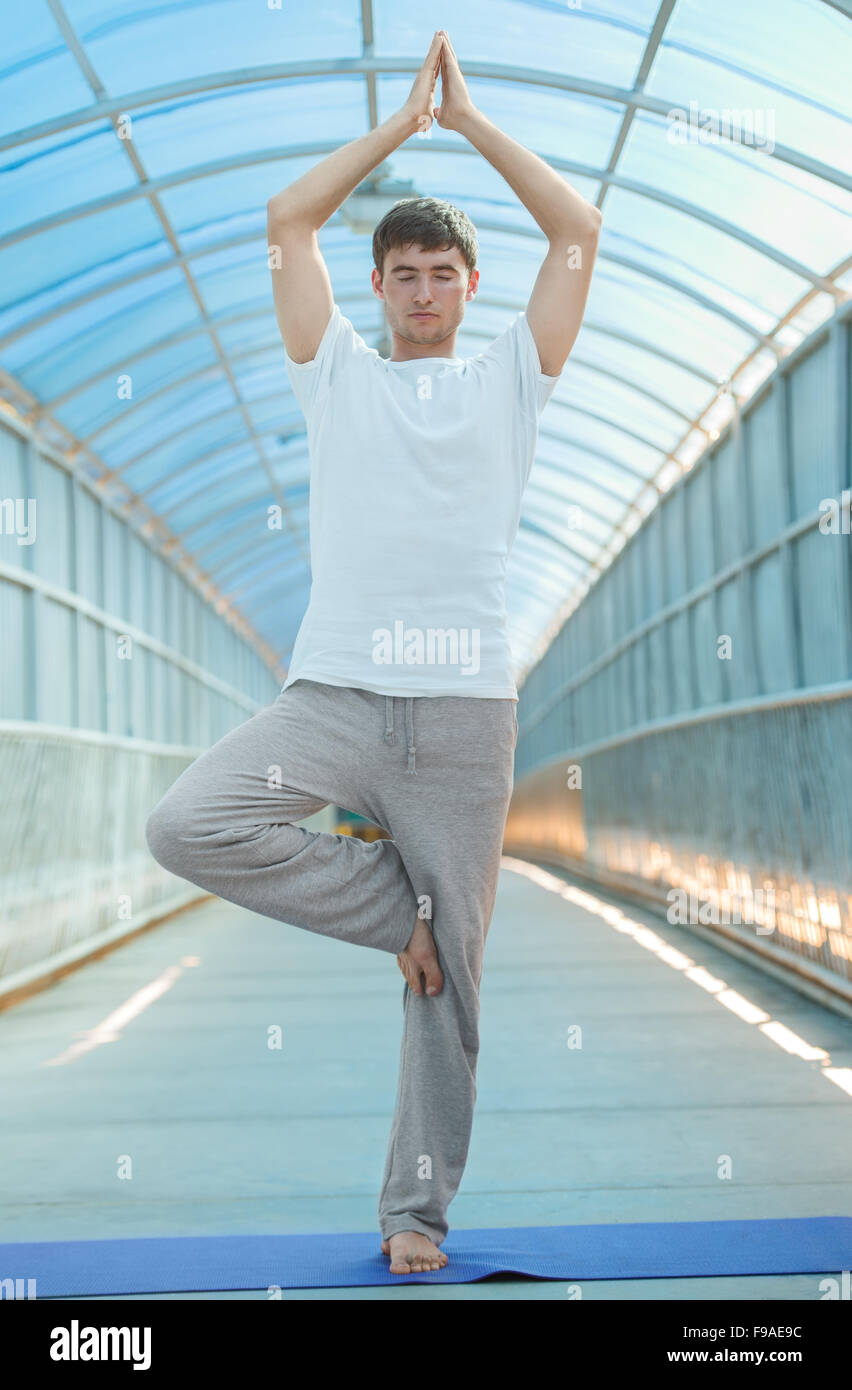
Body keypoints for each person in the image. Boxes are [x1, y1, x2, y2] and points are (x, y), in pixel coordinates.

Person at [145, 29, 600, 1277]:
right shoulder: (333, 375)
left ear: (466, 286)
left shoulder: (513, 380)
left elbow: (580, 234)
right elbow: (290, 220)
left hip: (462, 718)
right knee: (188, 822)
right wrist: (405, 129)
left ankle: (416, 1213)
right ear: (381, 288)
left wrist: (479, 124)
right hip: (336, 699)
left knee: (449, 987)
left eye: (440, 270)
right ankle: (394, 912)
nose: (417, 288)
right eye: (399, 270)